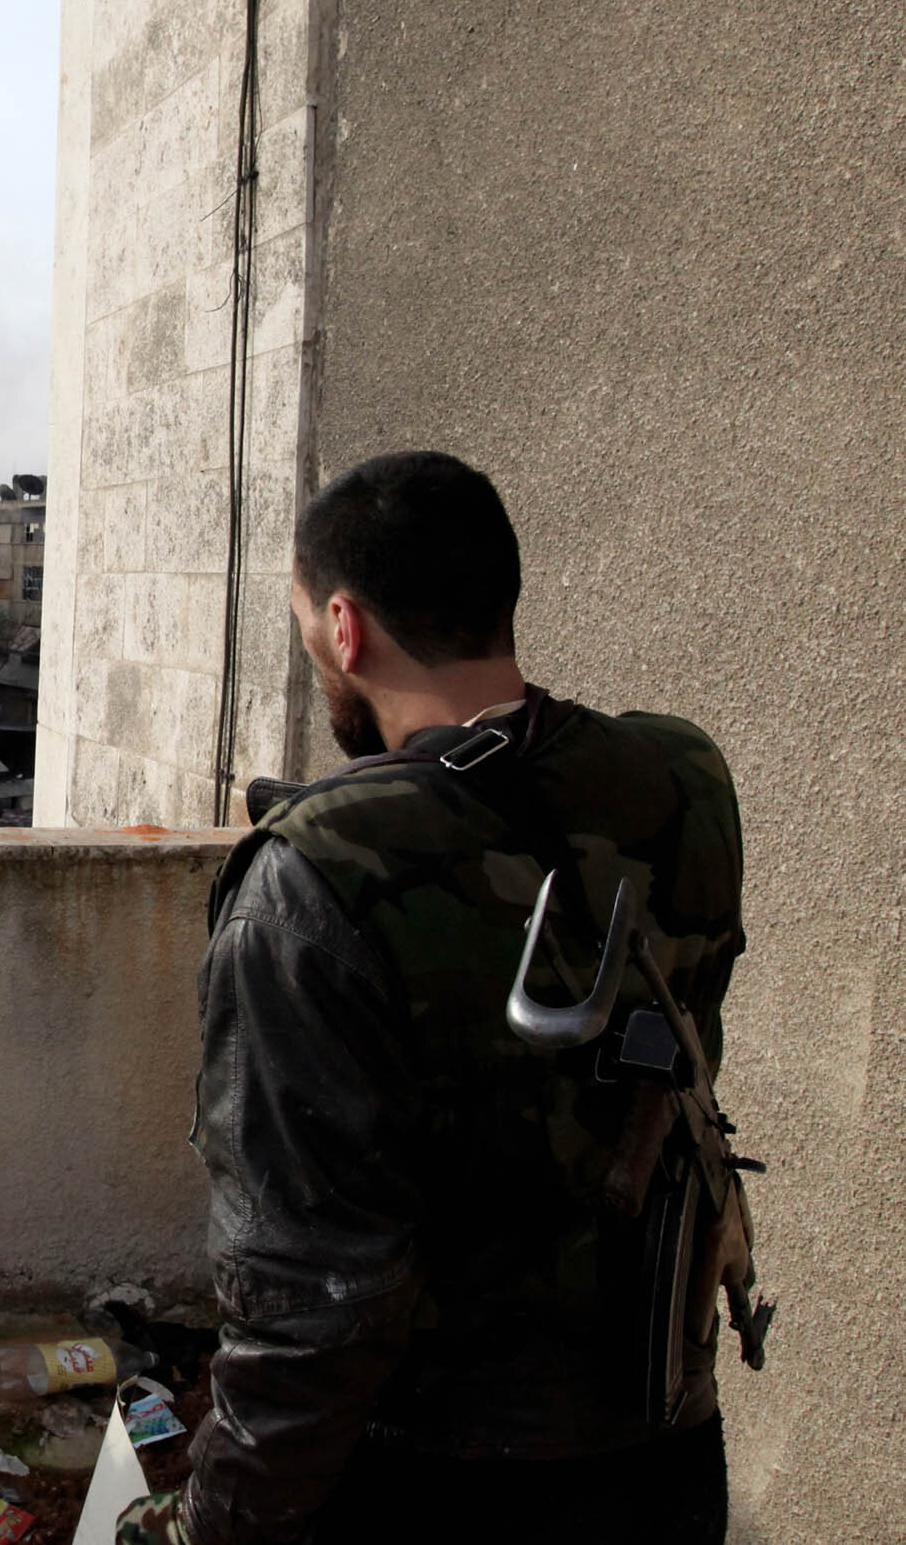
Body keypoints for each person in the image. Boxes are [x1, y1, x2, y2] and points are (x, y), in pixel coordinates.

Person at [118, 453, 750, 1545]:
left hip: (442, 1489)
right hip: (664, 1460)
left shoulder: (312, 880)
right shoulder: (681, 779)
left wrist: (198, 1530)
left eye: (309, 625)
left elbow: (310, 1312)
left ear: (346, 628)